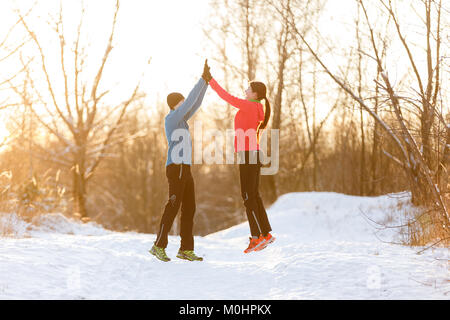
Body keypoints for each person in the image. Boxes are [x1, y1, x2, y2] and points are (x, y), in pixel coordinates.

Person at [206, 60, 275, 253]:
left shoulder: (249, 106)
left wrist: (210, 80)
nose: (245, 90)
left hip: (247, 155)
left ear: (255, 94)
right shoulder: (256, 107)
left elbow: (225, 96)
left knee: (247, 197)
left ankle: (256, 237)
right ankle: (265, 234)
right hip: (252, 154)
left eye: (248, 88)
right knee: (254, 196)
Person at [149, 60, 212, 262]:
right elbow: (191, 100)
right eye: (182, 101)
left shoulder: (182, 120)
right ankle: (158, 245)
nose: (186, 103)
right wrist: (201, 79)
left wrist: (207, 83)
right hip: (175, 168)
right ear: (175, 104)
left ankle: (185, 249)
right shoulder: (173, 118)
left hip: (185, 169)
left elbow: (196, 102)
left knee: (189, 208)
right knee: (173, 206)